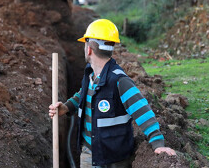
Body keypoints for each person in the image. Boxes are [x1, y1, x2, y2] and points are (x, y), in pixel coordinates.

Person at [49, 19, 176, 167]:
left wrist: (157, 143)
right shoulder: (90, 75)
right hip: (89, 153)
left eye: (85, 44)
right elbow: (83, 94)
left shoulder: (119, 81)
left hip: (114, 159)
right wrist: (67, 107)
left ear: (89, 49)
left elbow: (143, 111)